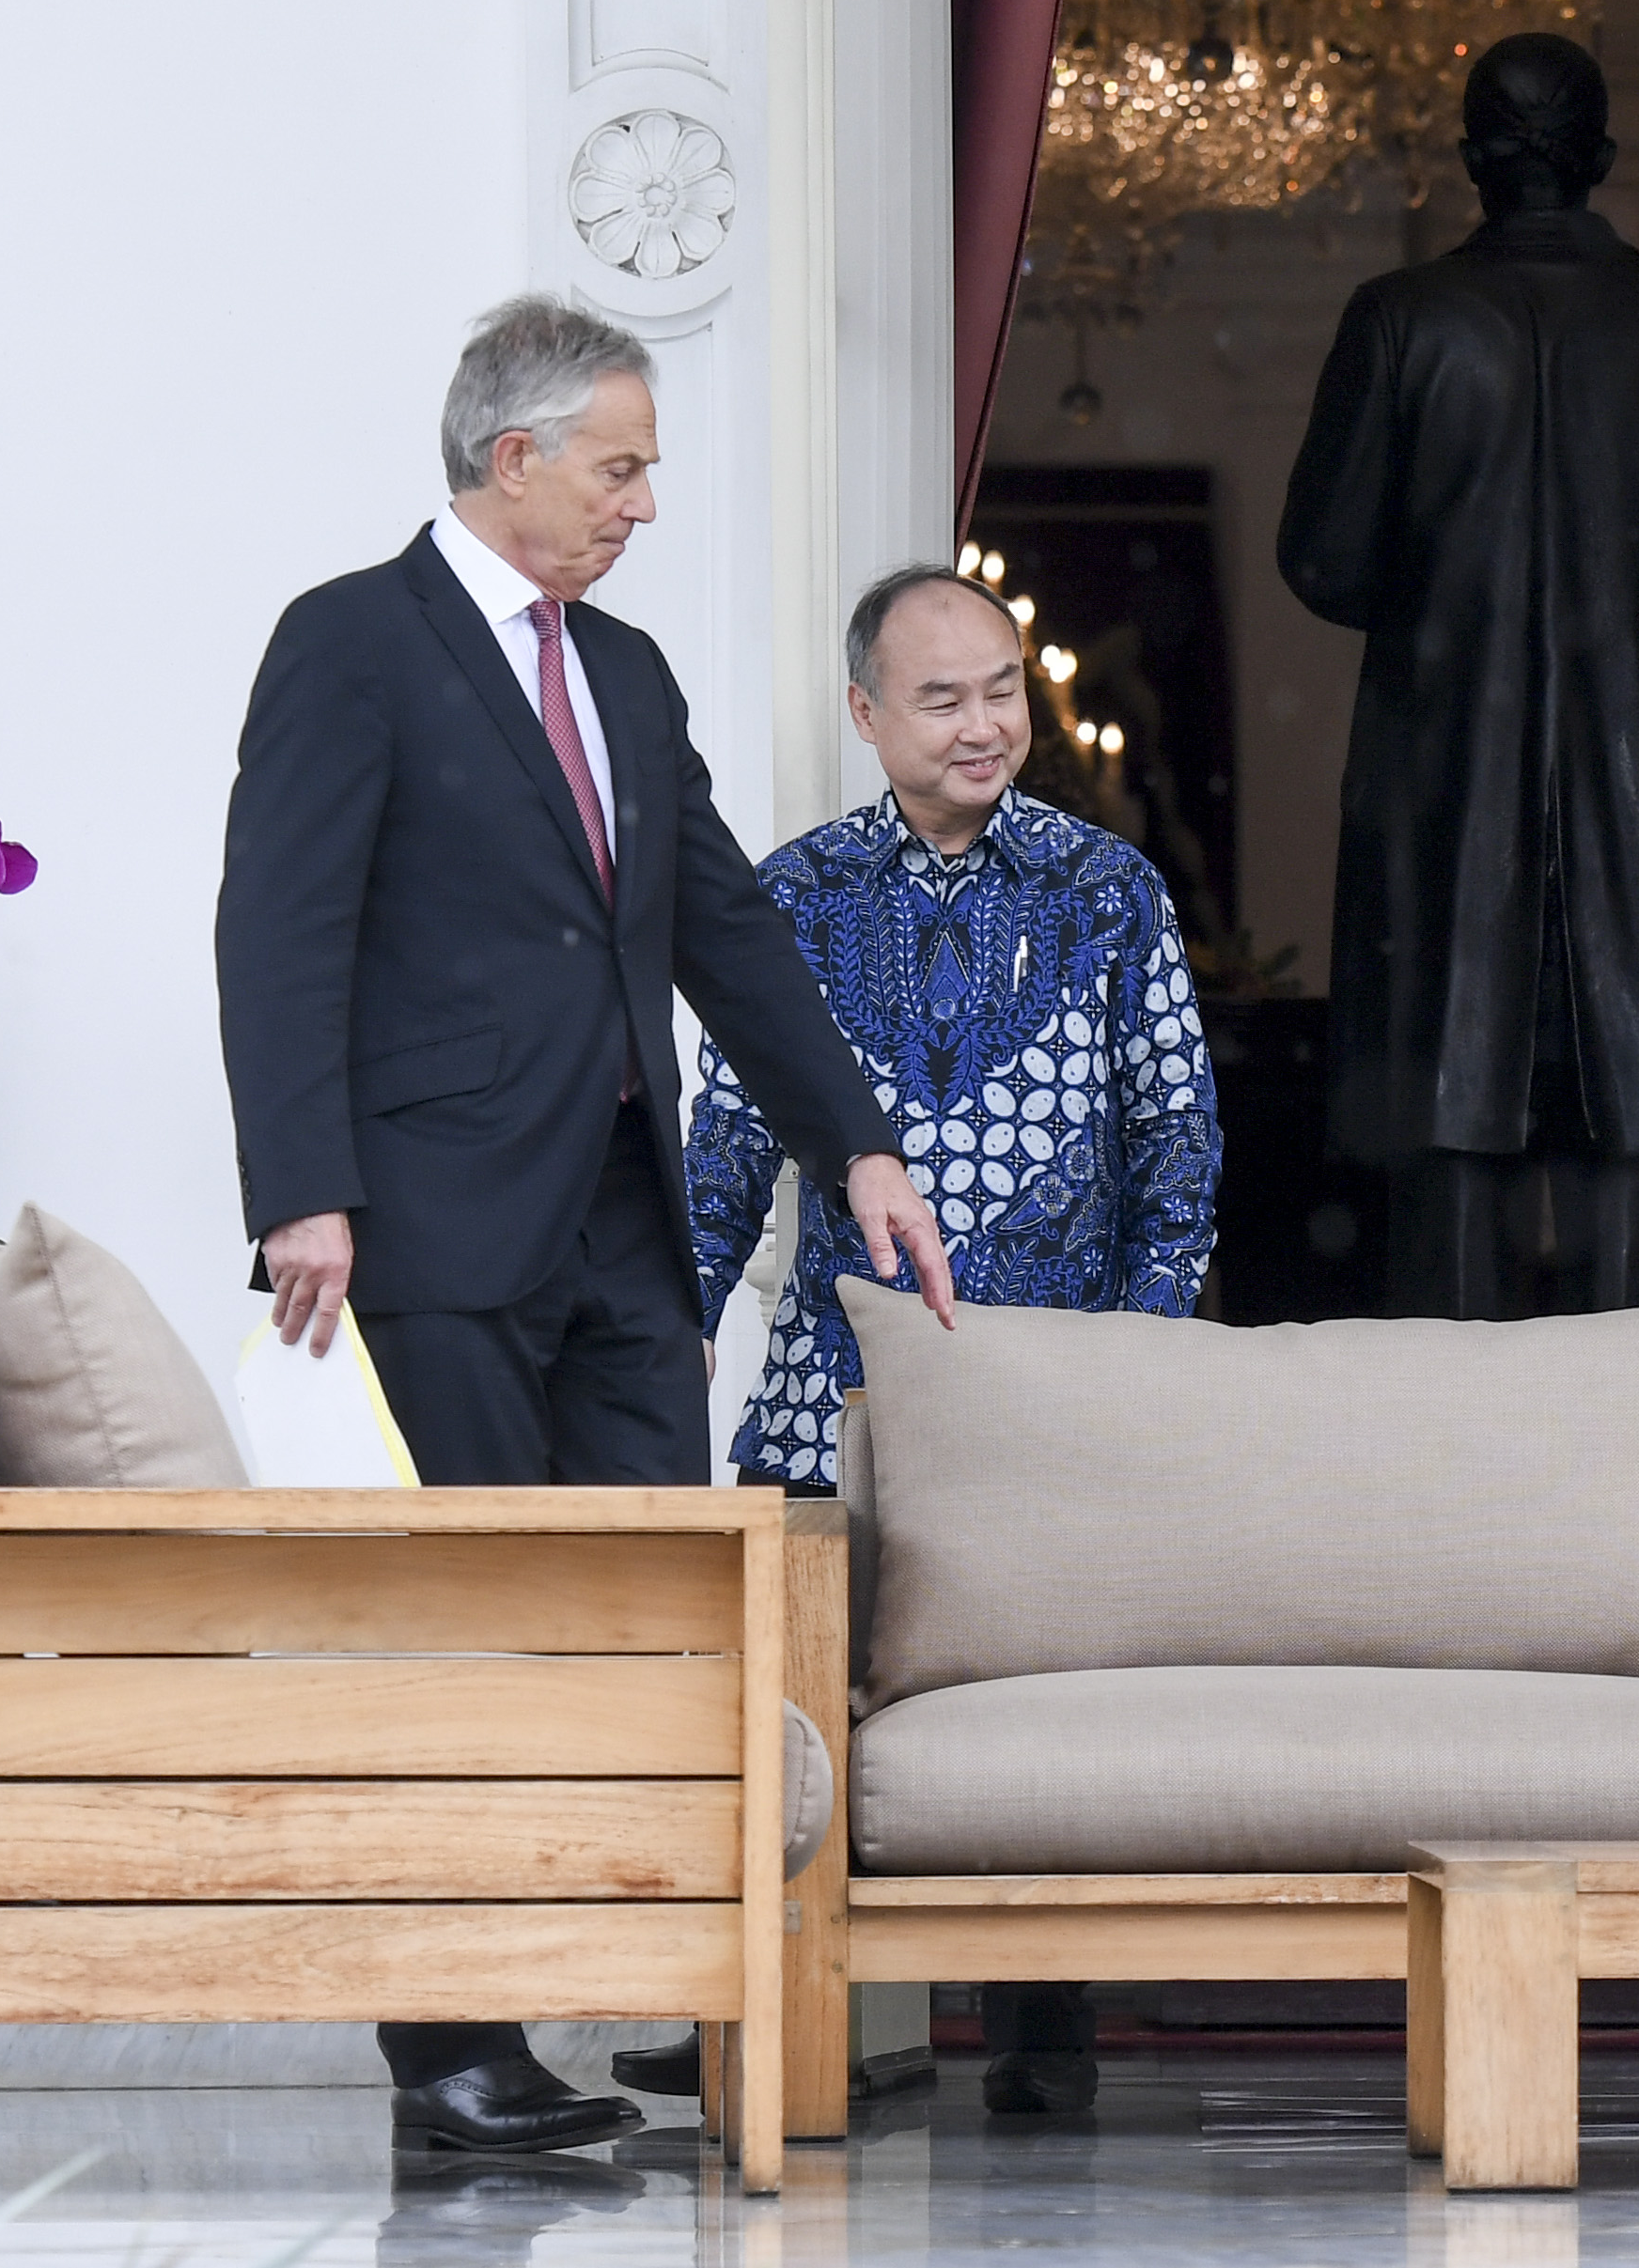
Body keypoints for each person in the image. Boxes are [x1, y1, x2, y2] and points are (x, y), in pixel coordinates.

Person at [216, 296, 957, 2155]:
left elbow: (720, 924)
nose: (643, 501)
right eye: (619, 467)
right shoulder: (351, 641)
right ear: (514, 456)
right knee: (463, 1633)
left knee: (648, 1620)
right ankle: (454, 2049)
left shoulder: (623, 670)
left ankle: (643, 1989)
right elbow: (278, 926)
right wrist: (301, 1186)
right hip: (428, 1224)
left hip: (626, 1227)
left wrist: (857, 1148)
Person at [661, 562, 1221, 2114]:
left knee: (1039, 1705)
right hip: (829, 1384)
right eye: (941, 698)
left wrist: (1133, 1358)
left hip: (1050, 1380)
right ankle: (766, 2009)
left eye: (1000, 692)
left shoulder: (1108, 890)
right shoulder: (793, 896)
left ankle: (1044, 2022)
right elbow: (726, 1150)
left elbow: (1176, 1154)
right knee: (779, 1694)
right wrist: (677, 1326)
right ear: (865, 714)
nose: (983, 725)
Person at [1280, 31, 1639, 1321]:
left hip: (1447, 793)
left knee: (1448, 1141)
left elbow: (1324, 560)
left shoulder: (1400, 319)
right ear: (1600, 157)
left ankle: (1457, 1439)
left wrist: (1451, 586)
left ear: (1470, 161)